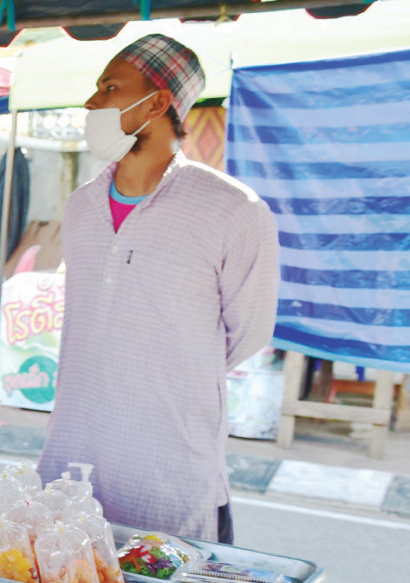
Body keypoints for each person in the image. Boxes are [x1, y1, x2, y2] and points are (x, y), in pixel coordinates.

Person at [37, 34, 279, 544]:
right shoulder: (82, 206)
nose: (91, 101)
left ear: (160, 101)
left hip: (169, 469)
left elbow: (249, 332)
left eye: (109, 86)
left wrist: (166, 361)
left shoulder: (233, 209)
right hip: (73, 458)